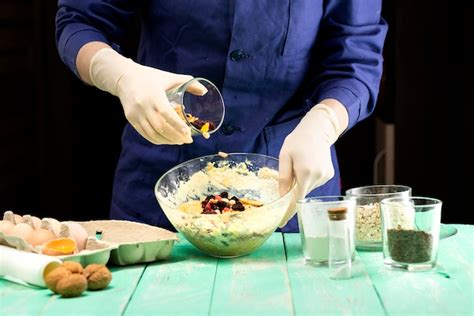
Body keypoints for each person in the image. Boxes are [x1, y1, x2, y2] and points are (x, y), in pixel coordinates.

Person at [55, 1, 387, 232]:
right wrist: (120, 74)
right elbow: (81, 21)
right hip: (159, 190)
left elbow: (355, 59)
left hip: (290, 195)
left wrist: (324, 123)